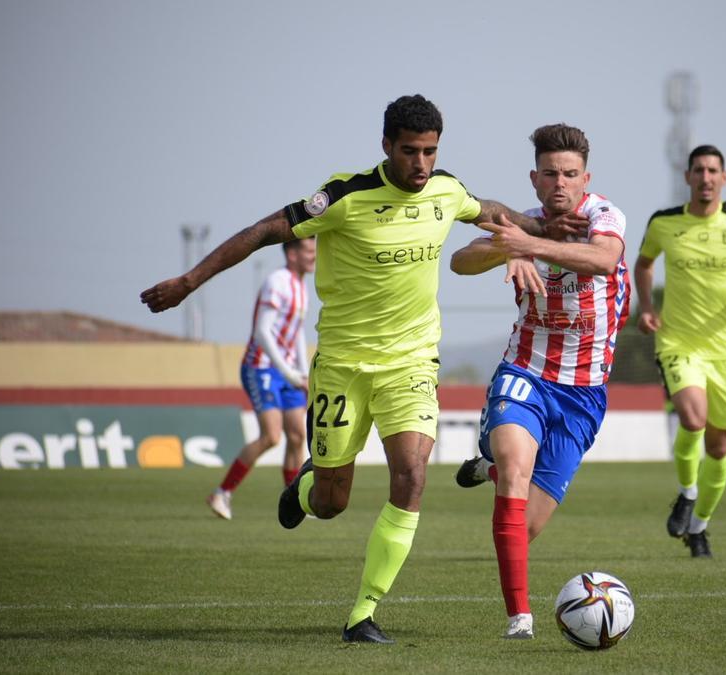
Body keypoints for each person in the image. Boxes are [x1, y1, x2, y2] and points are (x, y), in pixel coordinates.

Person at [139, 94, 582, 645]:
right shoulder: (344, 196)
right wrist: (188, 282)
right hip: (343, 368)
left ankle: (363, 614)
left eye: (430, 152)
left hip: (413, 363)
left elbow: (489, 209)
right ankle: (305, 490)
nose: (421, 165)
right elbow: (260, 232)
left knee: (412, 475)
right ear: (386, 147)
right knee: (332, 501)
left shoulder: (445, 190)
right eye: (409, 152)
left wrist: (539, 229)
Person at [450, 123, 629, 639]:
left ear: (585, 178)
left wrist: (534, 246)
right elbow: (461, 262)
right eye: (550, 173)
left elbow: (603, 259)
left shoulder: (605, 216)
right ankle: (520, 619)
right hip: (525, 373)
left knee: (524, 528)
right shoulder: (520, 224)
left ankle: (484, 469)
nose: (560, 183)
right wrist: (512, 247)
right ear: (534, 178)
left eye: (570, 174)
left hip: (583, 393)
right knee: (515, 471)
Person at [633, 144, 726, 558]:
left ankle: (699, 527)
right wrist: (646, 307)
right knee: (692, 418)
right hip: (678, 342)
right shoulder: (663, 222)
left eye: (713, 170)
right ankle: (686, 493)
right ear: (688, 177)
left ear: (724, 178)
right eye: (699, 170)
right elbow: (643, 264)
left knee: (720, 446)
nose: (706, 178)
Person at [207, 237, 316, 521]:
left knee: (297, 436)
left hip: (287, 371)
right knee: (271, 436)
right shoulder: (277, 282)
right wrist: (289, 372)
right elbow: (262, 332)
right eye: (308, 250)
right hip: (261, 367)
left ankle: (293, 502)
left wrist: (302, 372)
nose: (314, 254)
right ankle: (222, 493)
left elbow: (296, 334)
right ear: (291, 255)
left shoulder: (302, 288)